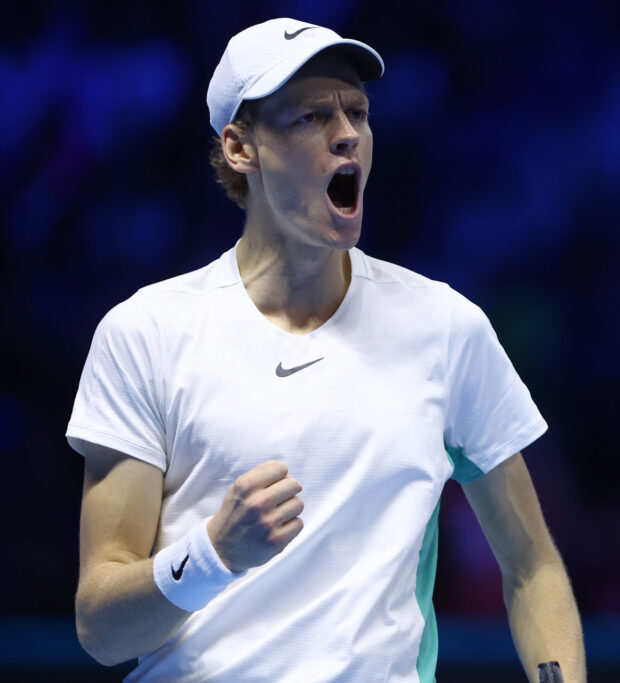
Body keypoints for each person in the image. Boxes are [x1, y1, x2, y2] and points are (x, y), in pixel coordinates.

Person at [67, 18, 586, 682]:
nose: (347, 133)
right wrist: (213, 553)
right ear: (239, 148)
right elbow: (100, 628)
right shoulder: (145, 333)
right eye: (311, 116)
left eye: (358, 113)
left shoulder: (445, 328)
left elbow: (532, 565)